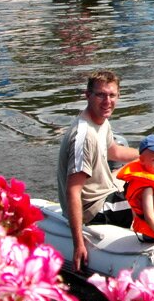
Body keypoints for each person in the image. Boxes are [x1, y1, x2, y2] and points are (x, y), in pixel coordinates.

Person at [57, 69, 139, 271]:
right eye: (101, 95)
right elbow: (73, 191)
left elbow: (115, 151)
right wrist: (78, 243)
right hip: (93, 209)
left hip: (105, 191)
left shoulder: (101, 121)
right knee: (153, 198)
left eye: (112, 95)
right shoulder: (84, 136)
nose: (107, 101)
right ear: (88, 95)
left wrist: (149, 156)